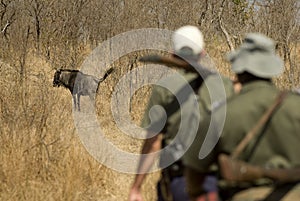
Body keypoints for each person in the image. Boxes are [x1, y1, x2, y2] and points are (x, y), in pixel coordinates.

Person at [183, 33, 300, 201]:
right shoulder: (296, 106)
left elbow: (195, 169)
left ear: (238, 68)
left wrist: (196, 193)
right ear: (271, 68)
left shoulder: (222, 114)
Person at [128, 25, 237, 201]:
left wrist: (136, 187)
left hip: (179, 182)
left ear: (172, 53)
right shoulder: (225, 86)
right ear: (202, 53)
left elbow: (153, 143)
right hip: (218, 184)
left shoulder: (164, 88)